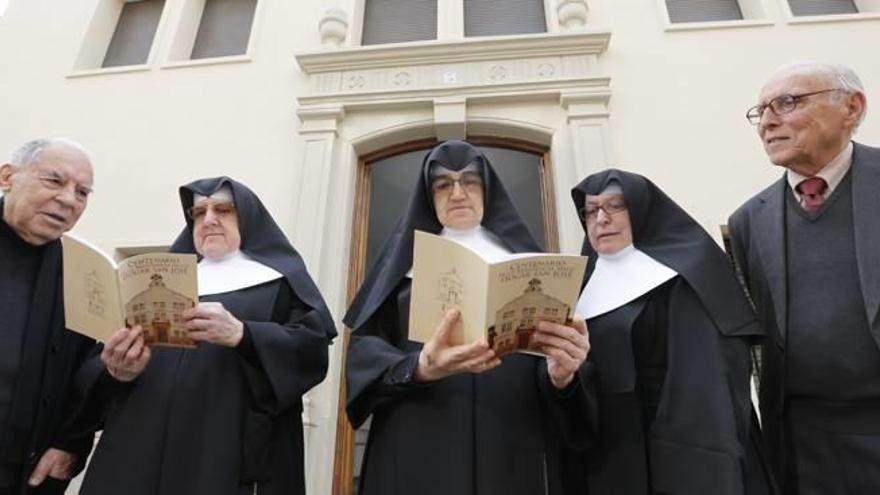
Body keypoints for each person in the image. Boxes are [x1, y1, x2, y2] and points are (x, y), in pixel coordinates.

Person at [344, 140, 593, 495]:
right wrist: (419, 366)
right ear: (428, 196)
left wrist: (561, 376)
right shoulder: (400, 271)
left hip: (510, 439)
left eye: (470, 181)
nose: (457, 193)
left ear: (487, 189)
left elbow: (553, 370)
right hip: (419, 442)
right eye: (443, 183)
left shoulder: (525, 265)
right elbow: (363, 358)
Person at [75, 177, 336, 495]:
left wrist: (245, 334)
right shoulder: (150, 284)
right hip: (140, 441)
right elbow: (95, 374)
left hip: (222, 445)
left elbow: (311, 351)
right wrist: (117, 367)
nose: (209, 219)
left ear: (248, 218)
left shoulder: (279, 282)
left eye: (223, 209)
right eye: (198, 213)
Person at [566, 169, 773, 495]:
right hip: (613, 458)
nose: (601, 219)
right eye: (591, 211)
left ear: (642, 208)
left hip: (689, 453)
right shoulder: (579, 290)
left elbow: (709, 380)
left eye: (615, 205)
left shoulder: (689, 273)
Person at [729, 61, 878, 494]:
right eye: (761, 111)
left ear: (851, 107)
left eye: (787, 103)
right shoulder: (747, 222)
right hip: (802, 444)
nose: (768, 122)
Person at [0, 138, 97, 495]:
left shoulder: (85, 276)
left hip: (23, 475)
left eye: (82, 192)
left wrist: (72, 442)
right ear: (7, 176)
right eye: (54, 181)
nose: (69, 199)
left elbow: (88, 375)